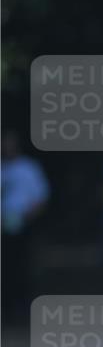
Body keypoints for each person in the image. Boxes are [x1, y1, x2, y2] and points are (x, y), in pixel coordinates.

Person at [1, 130, 50, 324]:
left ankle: (21, 306)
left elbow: (41, 197)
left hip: (24, 227)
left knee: (21, 265)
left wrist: (27, 218)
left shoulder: (28, 168)